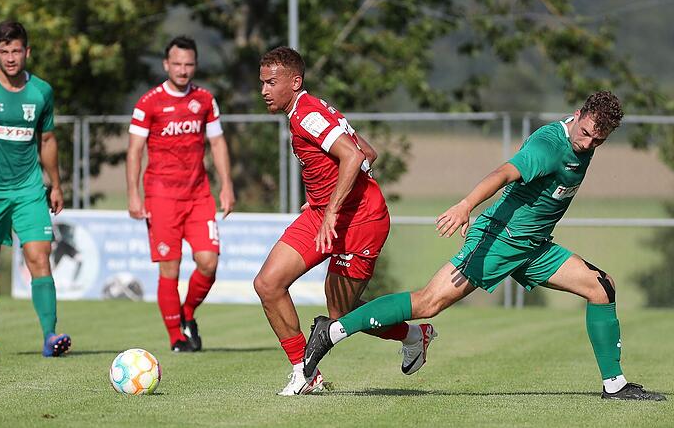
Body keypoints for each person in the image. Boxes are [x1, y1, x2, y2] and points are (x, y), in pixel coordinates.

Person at [303, 91, 666, 401]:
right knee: (429, 302)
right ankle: (332, 331)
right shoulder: (549, 145)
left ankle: (614, 385)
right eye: (586, 134)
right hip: (498, 239)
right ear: (578, 115)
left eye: (598, 141)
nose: (588, 144)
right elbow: (503, 173)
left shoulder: (583, 139)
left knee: (601, 287)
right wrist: (465, 206)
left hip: (533, 248)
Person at [254, 47, 434, 397]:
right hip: (323, 214)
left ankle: (415, 335)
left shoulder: (307, 115)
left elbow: (353, 156)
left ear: (295, 82)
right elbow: (368, 152)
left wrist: (334, 208)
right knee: (268, 284)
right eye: (262, 82)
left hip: (359, 221)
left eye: (271, 82)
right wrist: (323, 197)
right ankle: (304, 373)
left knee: (341, 313)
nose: (264, 90)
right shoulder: (308, 111)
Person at [0, 21, 71, 359]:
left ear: (27, 52)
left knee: (40, 255)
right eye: (4, 51)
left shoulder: (41, 92)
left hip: (29, 189)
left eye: (16, 50)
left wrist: (56, 184)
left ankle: (50, 337)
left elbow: (47, 139)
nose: (10, 57)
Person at [126, 36, 235, 353]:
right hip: (161, 198)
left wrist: (226, 184)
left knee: (208, 262)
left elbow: (217, 143)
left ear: (195, 65)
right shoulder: (149, 103)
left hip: (199, 196)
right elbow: (134, 151)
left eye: (189, 64)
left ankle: (187, 313)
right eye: (177, 64)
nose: (183, 70)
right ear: (166, 65)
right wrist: (133, 195)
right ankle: (176, 336)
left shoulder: (204, 100)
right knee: (169, 269)